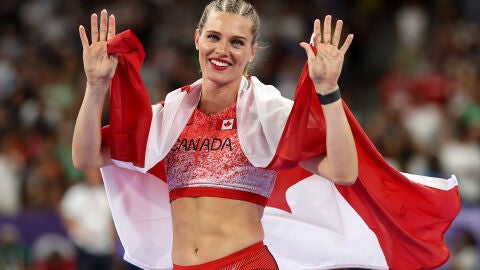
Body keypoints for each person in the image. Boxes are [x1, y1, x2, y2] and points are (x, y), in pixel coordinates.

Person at [72, 1, 460, 269]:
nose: (222, 50)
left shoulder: (268, 113)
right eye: (214, 37)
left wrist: (328, 92)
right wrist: (95, 86)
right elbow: (87, 157)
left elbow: (343, 171)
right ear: (196, 39)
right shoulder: (170, 114)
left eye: (237, 42)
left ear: (252, 51)